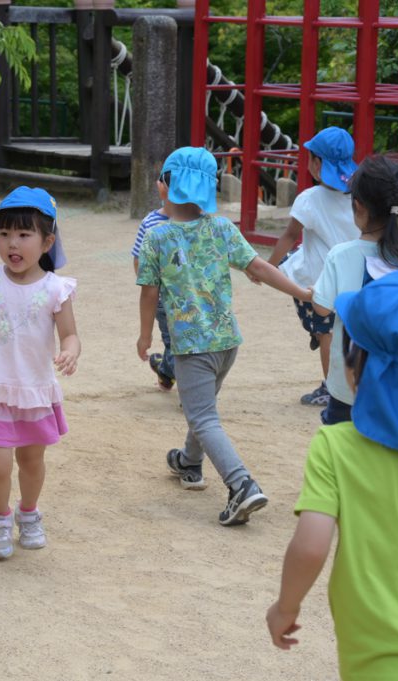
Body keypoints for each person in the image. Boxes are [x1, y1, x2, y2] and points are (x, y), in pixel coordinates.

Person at [266, 271, 398, 679]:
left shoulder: (336, 447)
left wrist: (285, 607)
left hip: (380, 663)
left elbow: (311, 547)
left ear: (355, 366)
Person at [136, 147, 313, 526]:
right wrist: (303, 292)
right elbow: (260, 268)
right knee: (203, 408)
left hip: (191, 346)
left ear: (167, 185)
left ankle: (241, 485)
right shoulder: (222, 228)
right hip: (227, 341)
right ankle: (189, 461)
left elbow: (149, 293)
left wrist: (144, 336)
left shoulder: (156, 237)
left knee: (202, 416)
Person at [0, 186, 80, 560]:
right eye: (4, 233)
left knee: (31, 461)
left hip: (34, 392)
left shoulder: (56, 289)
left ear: (47, 242)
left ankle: (29, 512)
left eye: (24, 234)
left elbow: (70, 334)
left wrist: (70, 351)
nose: (13, 243)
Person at [311, 154, 398, 426]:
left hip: (347, 390)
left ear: (357, 206)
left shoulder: (340, 256)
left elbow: (321, 308)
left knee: (341, 447)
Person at [266, 127, 360, 407]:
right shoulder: (360, 196)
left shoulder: (309, 198)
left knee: (325, 332)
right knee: (347, 332)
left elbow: (290, 236)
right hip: (353, 277)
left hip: (319, 282)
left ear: (317, 164)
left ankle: (331, 389)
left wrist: (266, 267)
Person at [132, 178, 174, 390]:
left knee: (181, 345)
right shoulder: (151, 223)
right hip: (163, 300)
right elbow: (139, 260)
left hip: (190, 298)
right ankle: (171, 371)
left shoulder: (201, 222)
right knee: (174, 343)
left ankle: (166, 370)